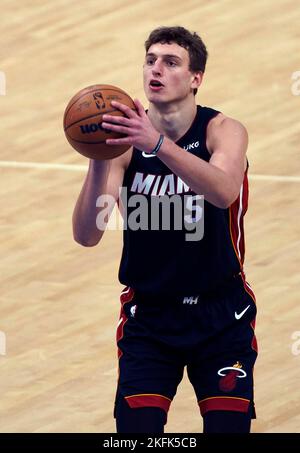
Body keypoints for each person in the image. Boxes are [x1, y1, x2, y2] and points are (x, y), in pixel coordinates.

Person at [72, 26, 258, 433]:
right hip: (150, 318)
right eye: (150, 60)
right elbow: (88, 234)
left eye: (171, 62)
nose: (156, 69)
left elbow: (223, 192)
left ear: (196, 79)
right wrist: (100, 156)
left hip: (221, 315)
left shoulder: (222, 130)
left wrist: (156, 144)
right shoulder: (123, 146)